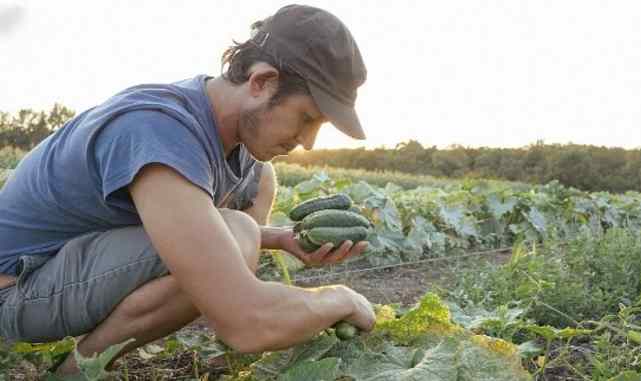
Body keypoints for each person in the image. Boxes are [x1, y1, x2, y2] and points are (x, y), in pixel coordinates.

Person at [0, 4, 375, 375]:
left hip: (63, 271)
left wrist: (280, 239)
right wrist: (339, 299)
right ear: (261, 82)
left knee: (255, 190)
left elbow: (196, 232)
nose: (308, 141)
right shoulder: (159, 131)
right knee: (235, 235)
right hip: (16, 290)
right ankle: (74, 374)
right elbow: (248, 322)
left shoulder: (239, 150)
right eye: (307, 118)